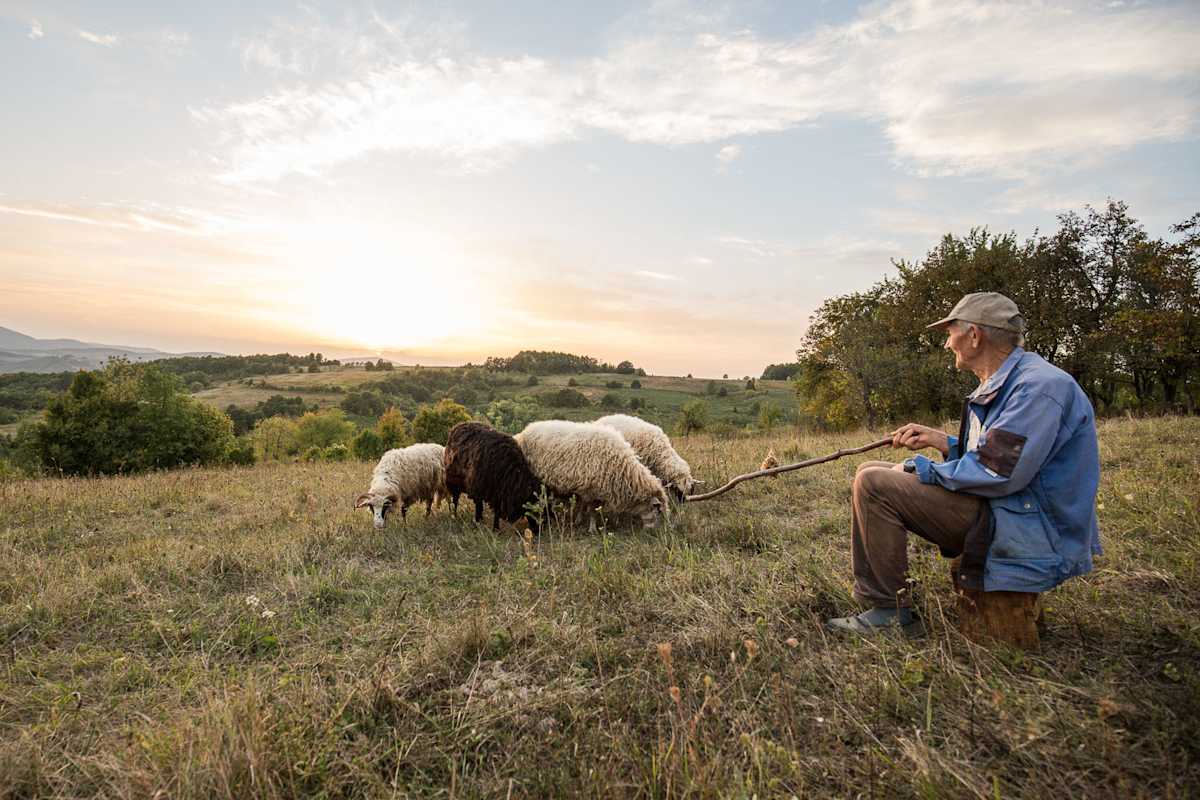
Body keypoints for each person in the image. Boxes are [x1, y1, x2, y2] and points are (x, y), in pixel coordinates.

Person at [826, 292, 1102, 635]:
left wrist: (917, 468)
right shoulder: (1011, 380)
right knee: (870, 470)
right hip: (1014, 508)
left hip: (1032, 525)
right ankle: (888, 604)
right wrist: (944, 443)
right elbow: (1002, 454)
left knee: (875, 485)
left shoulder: (1037, 387)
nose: (946, 344)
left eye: (950, 332)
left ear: (974, 335)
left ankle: (890, 613)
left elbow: (997, 472)